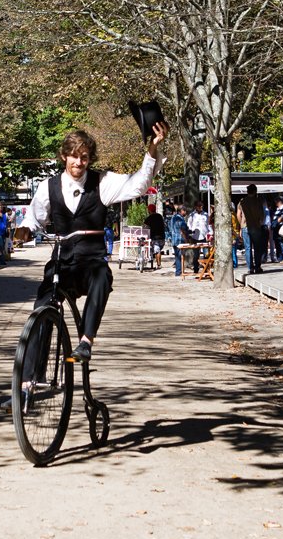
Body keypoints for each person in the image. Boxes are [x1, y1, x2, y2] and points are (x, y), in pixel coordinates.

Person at [18, 123, 167, 362]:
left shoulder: (102, 181)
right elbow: (34, 217)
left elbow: (138, 184)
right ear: (64, 156)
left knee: (102, 277)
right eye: (74, 156)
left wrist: (152, 148)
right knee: (41, 310)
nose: (79, 162)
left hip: (91, 261)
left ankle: (86, 341)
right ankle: (27, 380)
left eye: (84, 157)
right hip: (62, 263)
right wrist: (24, 230)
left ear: (90, 159)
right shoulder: (48, 186)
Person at [237, 185, 267, 274]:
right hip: (256, 226)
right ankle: (257, 267)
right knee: (257, 247)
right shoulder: (258, 201)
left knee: (247, 248)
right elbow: (262, 215)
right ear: (255, 191)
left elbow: (238, 214)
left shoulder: (242, 202)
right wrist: (260, 222)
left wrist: (241, 224)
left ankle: (250, 268)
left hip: (245, 226)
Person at [186, 200, 209, 273]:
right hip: (195, 237)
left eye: (202, 206)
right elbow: (189, 225)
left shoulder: (205, 214)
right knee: (196, 255)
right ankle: (196, 268)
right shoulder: (192, 215)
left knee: (206, 254)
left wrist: (209, 234)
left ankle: (206, 269)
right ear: (196, 207)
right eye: (199, 206)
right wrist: (190, 234)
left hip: (204, 236)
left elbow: (208, 224)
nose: (201, 208)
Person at [168, 204, 189, 277]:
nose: (185, 212)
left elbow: (170, 229)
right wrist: (186, 239)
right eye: (185, 211)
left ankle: (178, 272)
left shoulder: (173, 218)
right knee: (180, 257)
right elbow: (183, 230)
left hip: (174, 239)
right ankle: (179, 272)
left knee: (177, 257)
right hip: (180, 240)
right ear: (181, 211)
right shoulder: (180, 218)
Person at [143, 203, 166, 269]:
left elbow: (145, 227)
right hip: (162, 236)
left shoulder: (149, 218)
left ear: (149, 210)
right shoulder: (160, 216)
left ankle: (159, 265)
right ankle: (158, 264)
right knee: (158, 250)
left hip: (155, 237)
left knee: (157, 251)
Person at [271, 196, 283, 262]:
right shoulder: (277, 209)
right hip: (276, 229)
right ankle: (279, 258)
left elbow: (282, 217)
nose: (275, 203)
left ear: (279, 201)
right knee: (277, 244)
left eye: (276, 201)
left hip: (280, 229)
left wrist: (275, 222)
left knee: (282, 244)